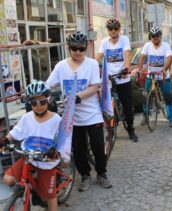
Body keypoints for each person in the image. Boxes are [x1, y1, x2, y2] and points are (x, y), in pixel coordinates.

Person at [46, 31, 112, 192]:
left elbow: (94, 86)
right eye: (74, 48)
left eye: (81, 49)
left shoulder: (91, 64)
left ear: (85, 49)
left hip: (92, 113)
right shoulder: (61, 66)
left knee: (97, 145)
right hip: (72, 117)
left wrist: (78, 96)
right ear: (69, 48)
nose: (78, 52)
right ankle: (85, 176)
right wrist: (40, 96)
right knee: (78, 148)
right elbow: (48, 85)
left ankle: (102, 173)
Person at [1, 80, 61, 211]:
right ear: (29, 103)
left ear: (48, 100)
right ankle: (31, 190)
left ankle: (43, 193)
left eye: (42, 102)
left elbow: (63, 141)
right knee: (8, 179)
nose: (38, 106)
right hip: (28, 157)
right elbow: (16, 132)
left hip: (46, 161)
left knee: (49, 196)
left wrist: (57, 152)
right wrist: (6, 139)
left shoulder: (56, 119)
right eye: (34, 103)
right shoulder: (27, 118)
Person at [96, 18, 138, 142]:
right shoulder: (104, 42)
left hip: (122, 78)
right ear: (108, 31)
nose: (113, 31)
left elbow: (127, 54)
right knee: (103, 105)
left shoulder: (124, 39)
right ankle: (108, 127)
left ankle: (130, 129)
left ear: (119, 30)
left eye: (116, 28)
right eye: (111, 29)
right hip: (108, 79)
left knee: (127, 105)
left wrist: (126, 68)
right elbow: (98, 57)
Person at [138, 26, 172, 127]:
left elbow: (169, 58)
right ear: (150, 37)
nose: (155, 38)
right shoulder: (147, 45)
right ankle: (145, 115)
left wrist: (164, 69)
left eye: (157, 36)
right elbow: (142, 58)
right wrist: (140, 69)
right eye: (153, 36)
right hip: (151, 76)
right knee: (145, 96)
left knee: (168, 96)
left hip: (163, 76)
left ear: (160, 36)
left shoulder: (165, 46)